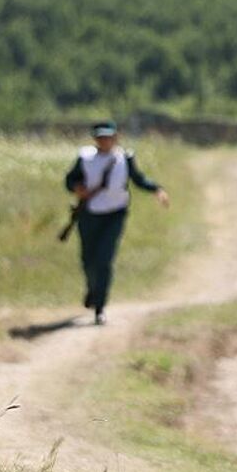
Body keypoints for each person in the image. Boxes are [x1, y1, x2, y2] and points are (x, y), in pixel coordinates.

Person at [64, 120, 169, 325]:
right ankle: (93, 289)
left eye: (108, 137)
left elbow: (138, 180)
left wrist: (157, 189)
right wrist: (78, 188)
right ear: (95, 139)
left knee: (104, 260)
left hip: (115, 215)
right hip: (89, 214)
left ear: (115, 138)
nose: (104, 141)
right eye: (101, 138)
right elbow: (69, 180)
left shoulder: (125, 158)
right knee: (88, 259)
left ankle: (100, 307)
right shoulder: (85, 157)